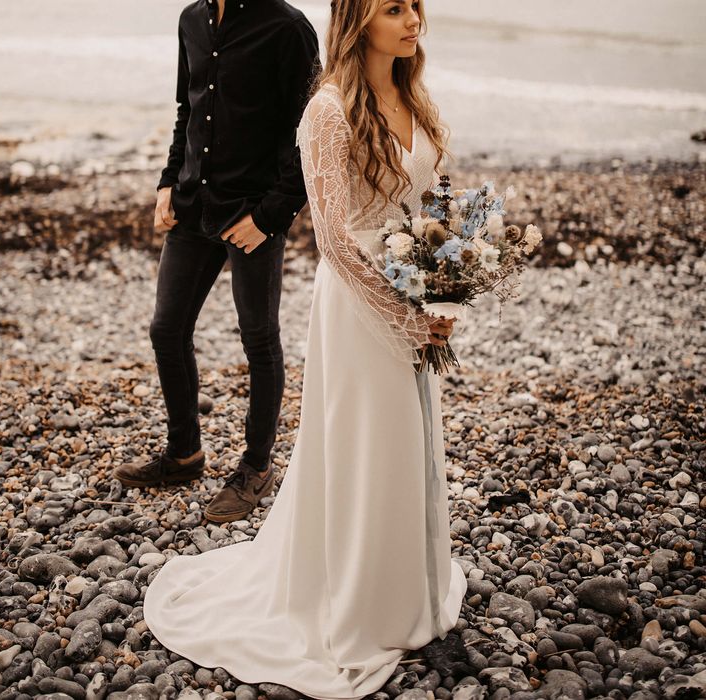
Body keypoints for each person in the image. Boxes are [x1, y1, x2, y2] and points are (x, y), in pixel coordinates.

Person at [143, 0, 468, 697]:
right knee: (362, 443)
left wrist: (447, 284)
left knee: (408, 441)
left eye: (416, 6)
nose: (414, 19)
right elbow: (335, 238)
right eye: (394, 8)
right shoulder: (329, 110)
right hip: (359, 308)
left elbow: (437, 200)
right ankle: (350, 598)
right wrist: (404, 315)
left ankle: (402, 586)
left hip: (411, 294)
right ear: (358, 22)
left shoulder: (419, 98)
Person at [113, 0, 320, 525]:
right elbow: (188, 108)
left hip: (250, 217)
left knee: (258, 339)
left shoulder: (289, 28)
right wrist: (167, 179)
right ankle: (184, 454)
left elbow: (310, 132)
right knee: (167, 329)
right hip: (192, 208)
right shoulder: (191, 20)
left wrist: (271, 216)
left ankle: (255, 467)